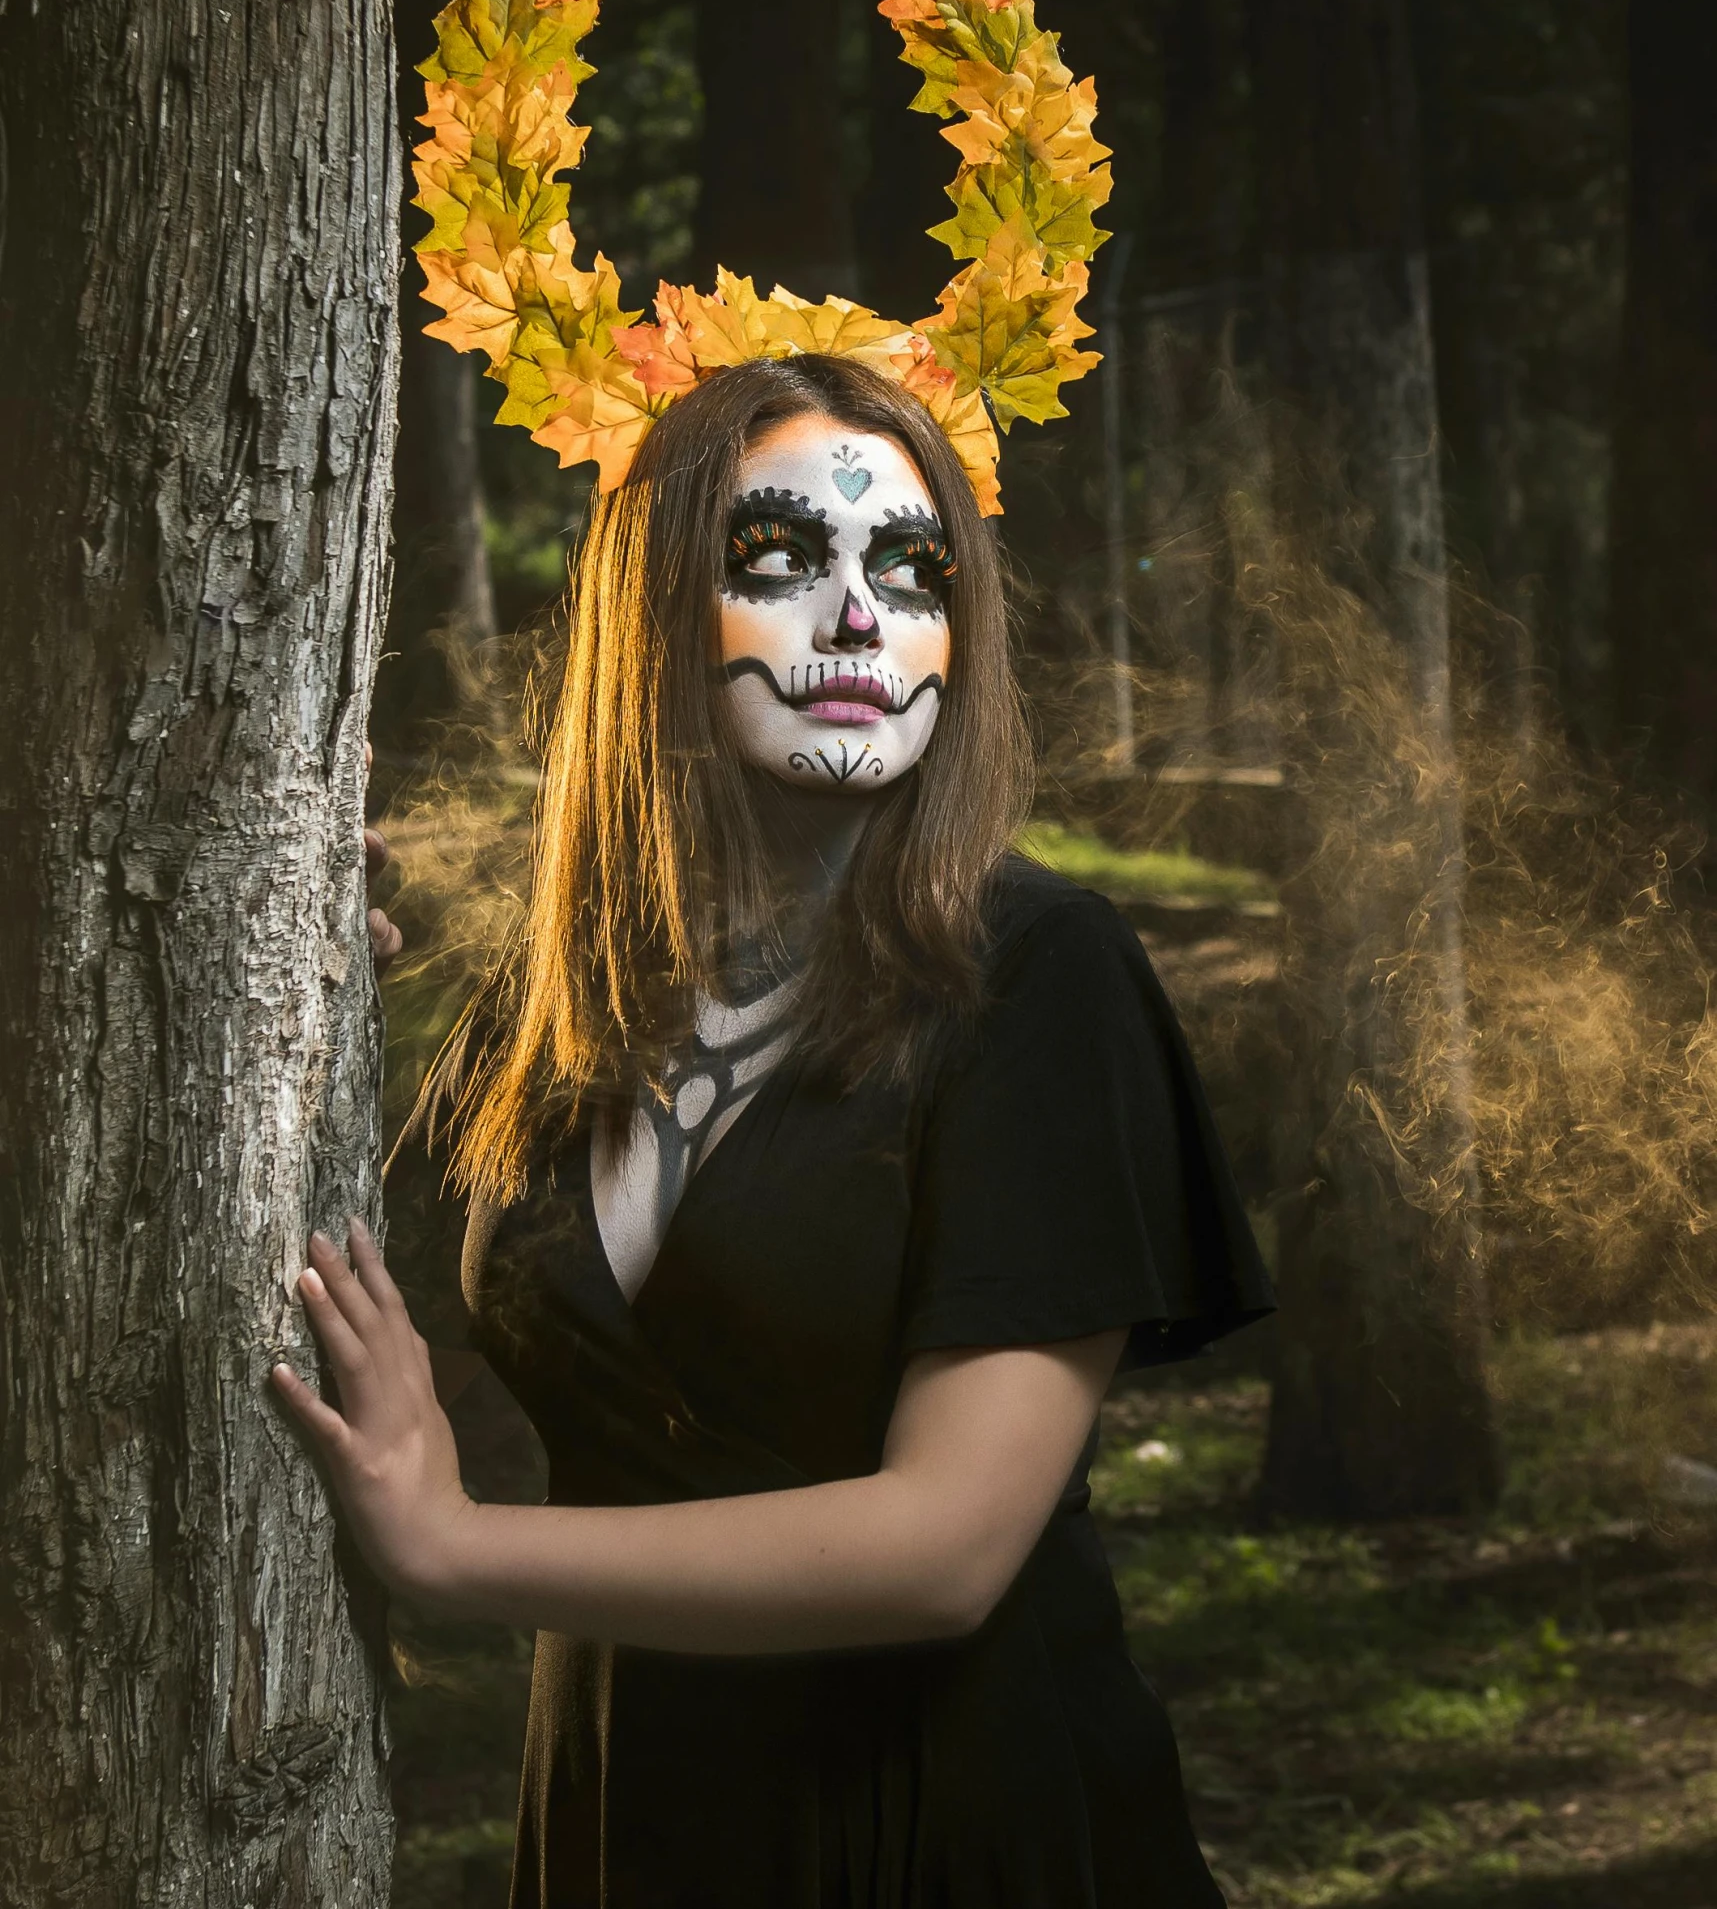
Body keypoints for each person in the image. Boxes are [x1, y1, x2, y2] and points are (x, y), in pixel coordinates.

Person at [279, 351, 1274, 1907]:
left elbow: (942, 1547)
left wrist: (457, 1552)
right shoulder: (557, 1004)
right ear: (658, 615)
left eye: (910, 567)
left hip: (946, 1829)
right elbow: (412, 1380)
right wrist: (288, 996)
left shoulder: (1038, 974)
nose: (862, 617)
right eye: (782, 560)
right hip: (637, 1828)